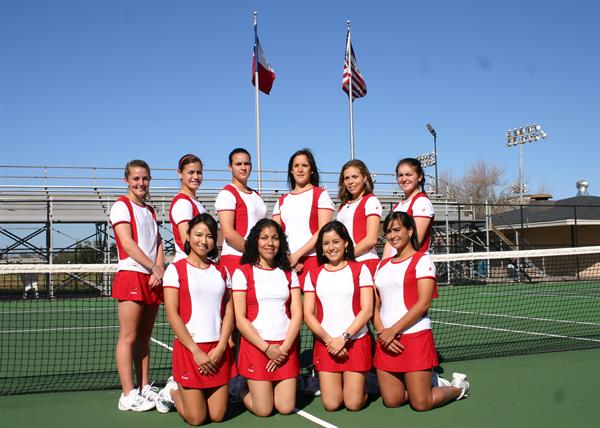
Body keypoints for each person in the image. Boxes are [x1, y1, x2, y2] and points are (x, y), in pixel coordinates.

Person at [373, 211, 469, 411]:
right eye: (389, 231)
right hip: (386, 340)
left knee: (421, 403)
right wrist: (383, 332)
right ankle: (424, 384)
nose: (392, 235)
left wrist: (393, 331)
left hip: (415, 337)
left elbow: (423, 303)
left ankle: (456, 388)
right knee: (392, 401)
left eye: (397, 229)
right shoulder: (381, 265)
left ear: (410, 231)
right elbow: (376, 304)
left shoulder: (422, 260)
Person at [158, 213, 236, 425]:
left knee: (218, 416)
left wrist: (220, 348)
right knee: (197, 418)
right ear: (189, 236)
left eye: (209, 236)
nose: (204, 240)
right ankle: (172, 392)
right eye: (199, 234)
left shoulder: (222, 271)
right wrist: (196, 351)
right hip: (190, 350)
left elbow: (229, 310)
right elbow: (172, 314)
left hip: (217, 350)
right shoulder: (175, 270)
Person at [231, 219, 303, 417]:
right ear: (256, 241)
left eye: (275, 238)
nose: (270, 243)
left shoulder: (288, 272)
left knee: (285, 408)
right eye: (264, 238)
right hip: (257, 348)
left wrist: (284, 348)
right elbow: (240, 319)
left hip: (284, 348)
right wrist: (266, 348)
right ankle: (239, 388)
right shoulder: (242, 272)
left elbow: (297, 314)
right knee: (264, 410)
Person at [110, 159, 164, 412]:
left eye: (145, 179)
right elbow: (128, 244)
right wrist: (152, 266)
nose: (141, 183)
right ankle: (127, 394)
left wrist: (159, 268)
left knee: (144, 337)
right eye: (136, 179)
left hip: (152, 279)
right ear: (127, 180)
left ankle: (143, 388)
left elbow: (159, 241)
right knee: (129, 336)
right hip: (132, 275)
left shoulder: (151, 211)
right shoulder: (121, 207)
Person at [303, 221, 374, 411]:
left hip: (355, 342)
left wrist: (344, 338)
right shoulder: (313, 274)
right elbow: (308, 314)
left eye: (336, 242)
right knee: (331, 404)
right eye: (326, 243)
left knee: (353, 404)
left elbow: (367, 310)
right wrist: (329, 341)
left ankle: (367, 384)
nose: (331, 247)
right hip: (327, 345)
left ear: (346, 244)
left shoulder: (361, 270)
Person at [272, 148, 334, 287]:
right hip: (287, 263)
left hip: (313, 261)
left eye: (304, 165)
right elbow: (277, 235)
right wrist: (287, 258)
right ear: (291, 171)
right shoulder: (281, 200)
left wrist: (297, 255)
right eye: (296, 166)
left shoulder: (320, 194)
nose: (300, 169)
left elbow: (323, 231)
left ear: (311, 170)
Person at [215, 148, 267, 277]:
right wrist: (255, 253)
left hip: (257, 259)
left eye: (247, 163)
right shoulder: (227, 194)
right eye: (238, 164)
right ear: (230, 167)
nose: (243, 168)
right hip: (237, 259)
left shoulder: (256, 194)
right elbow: (228, 233)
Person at [336, 159, 382, 277]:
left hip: (365, 262)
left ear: (365, 178)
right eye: (347, 178)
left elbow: (371, 239)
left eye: (355, 177)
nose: (351, 181)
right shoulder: (343, 205)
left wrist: (345, 256)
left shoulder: (371, 200)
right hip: (346, 263)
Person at [383, 158, 434, 258]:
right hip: (397, 262)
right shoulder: (398, 206)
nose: (404, 179)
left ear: (419, 177)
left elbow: (416, 240)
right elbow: (390, 241)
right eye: (400, 175)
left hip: (413, 263)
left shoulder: (421, 202)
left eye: (408, 174)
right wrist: (384, 264)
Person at [170, 154, 207, 263]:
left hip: (197, 263)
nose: (195, 177)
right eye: (191, 172)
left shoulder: (193, 201)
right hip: (189, 265)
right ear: (180, 173)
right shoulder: (183, 202)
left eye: (199, 172)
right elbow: (187, 241)